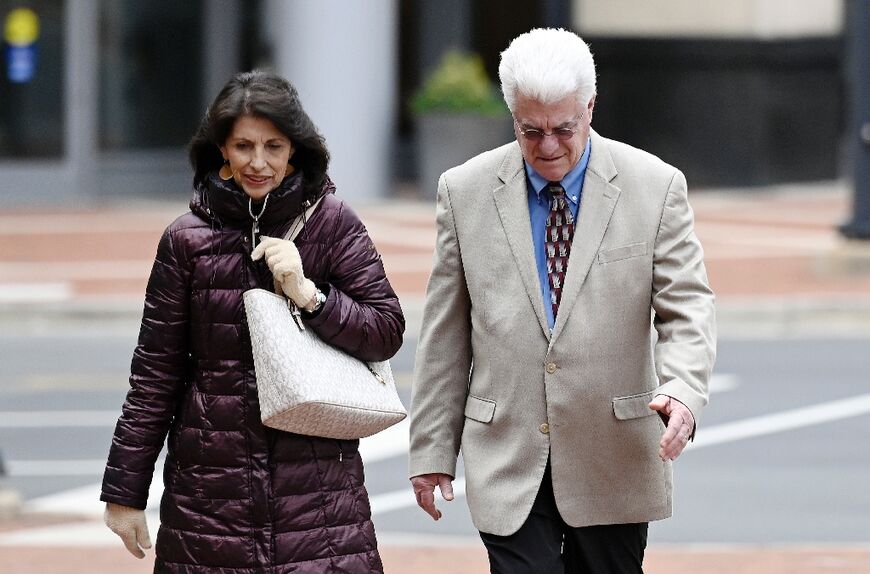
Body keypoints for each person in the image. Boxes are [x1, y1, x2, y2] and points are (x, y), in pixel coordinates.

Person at [408, 28, 716, 574]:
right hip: (507, 457)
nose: (548, 146)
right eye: (531, 131)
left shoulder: (656, 186)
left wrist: (684, 390)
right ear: (512, 116)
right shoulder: (464, 191)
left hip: (613, 456)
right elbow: (445, 332)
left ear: (590, 107)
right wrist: (432, 450)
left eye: (563, 129)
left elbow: (688, 308)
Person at [101, 70, 404, 573]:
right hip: (210, 499)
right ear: (221, 148)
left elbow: (386, 330)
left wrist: (311, 295)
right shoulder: (186, 241)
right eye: (243, 146)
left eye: (274, 146)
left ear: (295, 150)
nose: (258, 163)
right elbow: (155, 374)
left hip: (319, 500)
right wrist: (125, 493)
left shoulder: (332, 223)